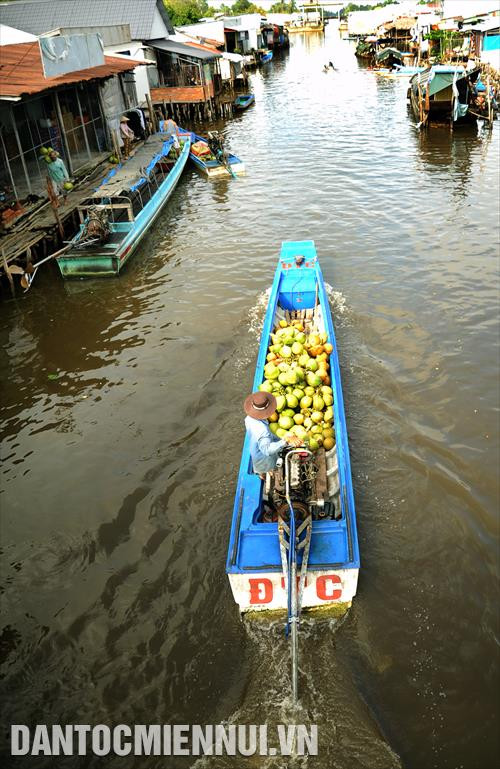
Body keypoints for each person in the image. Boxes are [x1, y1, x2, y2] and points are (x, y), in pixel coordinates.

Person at [244, 391, 302, 480]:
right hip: (264, 460)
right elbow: (267, 450)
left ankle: (262, 473)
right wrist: (286, 440)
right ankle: (268, 475)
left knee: (261, 468)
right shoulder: (263, 431)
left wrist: (280, 440)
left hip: (255, 452)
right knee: (273, 472)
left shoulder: (249, 418)